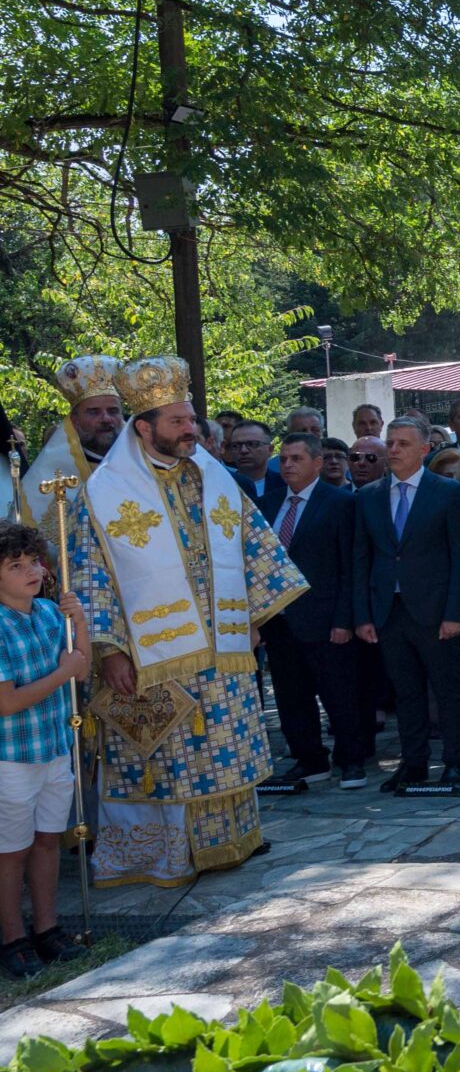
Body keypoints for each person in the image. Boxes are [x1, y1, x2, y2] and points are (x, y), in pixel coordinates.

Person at [54, 357, 307, 883]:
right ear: (144, 429)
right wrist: (109, 650)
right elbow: (88, 576)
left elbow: (254, 547)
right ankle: (168, 855)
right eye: (178, 421)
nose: (191, 429)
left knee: (224, 747)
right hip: (152, 658)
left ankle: (231, 843)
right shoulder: (101, 494)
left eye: (191, 419)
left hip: (221, 648)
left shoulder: (212, 480)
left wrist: (253, 616)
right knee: (168, 756)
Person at [354, 416, 460, 794]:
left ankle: (455, 763)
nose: (393, 450)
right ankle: (414, 763)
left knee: (447, 689)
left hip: (435, 610)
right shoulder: (369, 495)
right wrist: (363, 614)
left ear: (424, 449)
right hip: (388, 610)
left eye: (403, 444)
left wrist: (455, 612)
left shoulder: (448, 493)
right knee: (405, 691)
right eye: (390, 443)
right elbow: (362, 559)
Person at [0, 521, 88, 976]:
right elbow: (7, 702)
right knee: (11, 851)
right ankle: (12, 937)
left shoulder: (51, 613)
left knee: (48, 840)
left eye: (33, 561)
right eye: (15, 566)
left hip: (54, 746)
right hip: (12, 758)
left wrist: (80, 623)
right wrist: (62, 672)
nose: (31, 571)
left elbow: (81, 669)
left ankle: (47, 927)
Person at [259, 431, 370, 788]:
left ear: (317, 462)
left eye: (297, 459)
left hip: (326, 619)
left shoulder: (340, 503)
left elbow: (350, 566)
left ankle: (352, 760)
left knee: (339, 693)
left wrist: (344, 619)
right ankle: (309, 759)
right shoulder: (268, 504)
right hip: (280, 619)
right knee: (291, 695)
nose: (288, 465)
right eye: (284, 459)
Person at [17, 357, 124, 533]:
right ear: (74, 421)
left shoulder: (144, 462)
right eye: (93, 412)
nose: (106, 419)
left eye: (113, 411)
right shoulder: (45, 479)